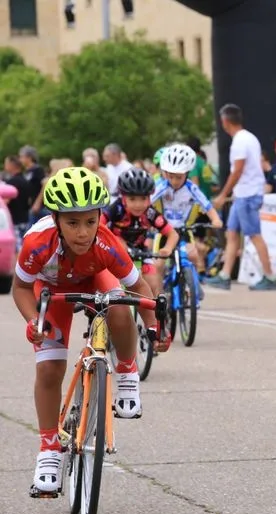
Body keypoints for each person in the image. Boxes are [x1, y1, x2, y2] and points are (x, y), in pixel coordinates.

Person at [12, 167, 167, 495]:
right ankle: (49, 450)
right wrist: (33, 321)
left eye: (90, 222)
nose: (83, 233)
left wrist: (154, 327)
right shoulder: (37, 244)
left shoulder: (107, 243)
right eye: (72, 223)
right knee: (51, 368)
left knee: (120, 305)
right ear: (55, 220)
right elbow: (21, 289)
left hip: (95, 276)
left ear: (100, 217)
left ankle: (126, 372)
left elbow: (138, 286)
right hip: (51, 289)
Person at [209, 103, 276, 291]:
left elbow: (238, 170)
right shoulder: (249, 138)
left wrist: (223, 195)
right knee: (231, 233)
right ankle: (225, 275)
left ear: (225, 122)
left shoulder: (240, 141)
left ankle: (270, 276)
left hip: (247, 195)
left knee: (254, 235)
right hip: (244, 194)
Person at [151, 144, 223, 291]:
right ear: (165, 173)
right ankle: (158, 298)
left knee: (193, 257)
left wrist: (216, 219)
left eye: (179, 177)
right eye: (170, 176)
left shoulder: (191, 187)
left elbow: (207, 205)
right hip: (165, 231)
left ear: (187, 173)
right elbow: (147, 203)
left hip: (184, 230)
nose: (174, 181)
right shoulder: (161, 186)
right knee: (158, 265)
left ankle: (194, 286)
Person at [104, 167, 179, 298]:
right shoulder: (116, 208)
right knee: (110, 288)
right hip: (114, 255)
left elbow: (173, 234)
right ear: (123, 197)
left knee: (153, 285)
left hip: (140, 253)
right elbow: (98, 226)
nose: (138, 204)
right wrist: (116, 241)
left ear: (150, 198)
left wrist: (167, 248)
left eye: (143, 198)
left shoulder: (150, 213)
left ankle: (156, 316)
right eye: (132, 199)